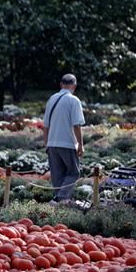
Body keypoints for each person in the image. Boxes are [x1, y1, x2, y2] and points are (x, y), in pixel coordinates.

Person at [43, 73, 86, 204]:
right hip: (67, 142)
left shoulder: (52, 99)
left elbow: (45, 125)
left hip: (52, 143)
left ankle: (58, 204)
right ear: (74, 86)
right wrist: (80, 144)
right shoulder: (74, 100)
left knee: (57, 176)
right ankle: (60, 198)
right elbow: (77, 125)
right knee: (73, 173)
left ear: (61, 85)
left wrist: (46, 144)